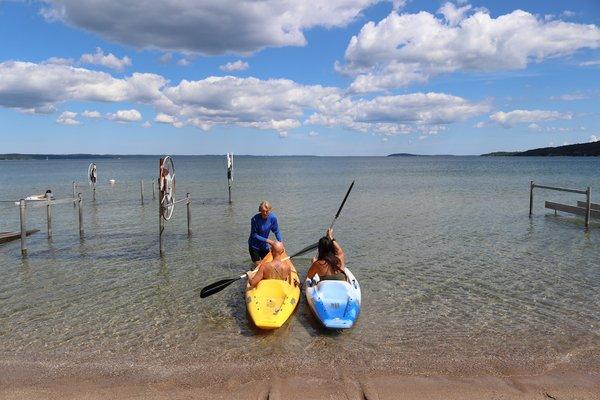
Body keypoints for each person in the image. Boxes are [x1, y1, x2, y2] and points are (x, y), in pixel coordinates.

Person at [248, 200, 282, 267]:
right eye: (263, 211)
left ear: (270, 210)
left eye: (267, 211)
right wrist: (269, 241)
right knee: (258, 266)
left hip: (264, 246)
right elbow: (254, 235)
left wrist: (280, 242)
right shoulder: (255, 219)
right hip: (254, 246)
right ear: (260, 210)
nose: (265, 213)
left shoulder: (273, 218)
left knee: (267, 265)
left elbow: (276, 231)